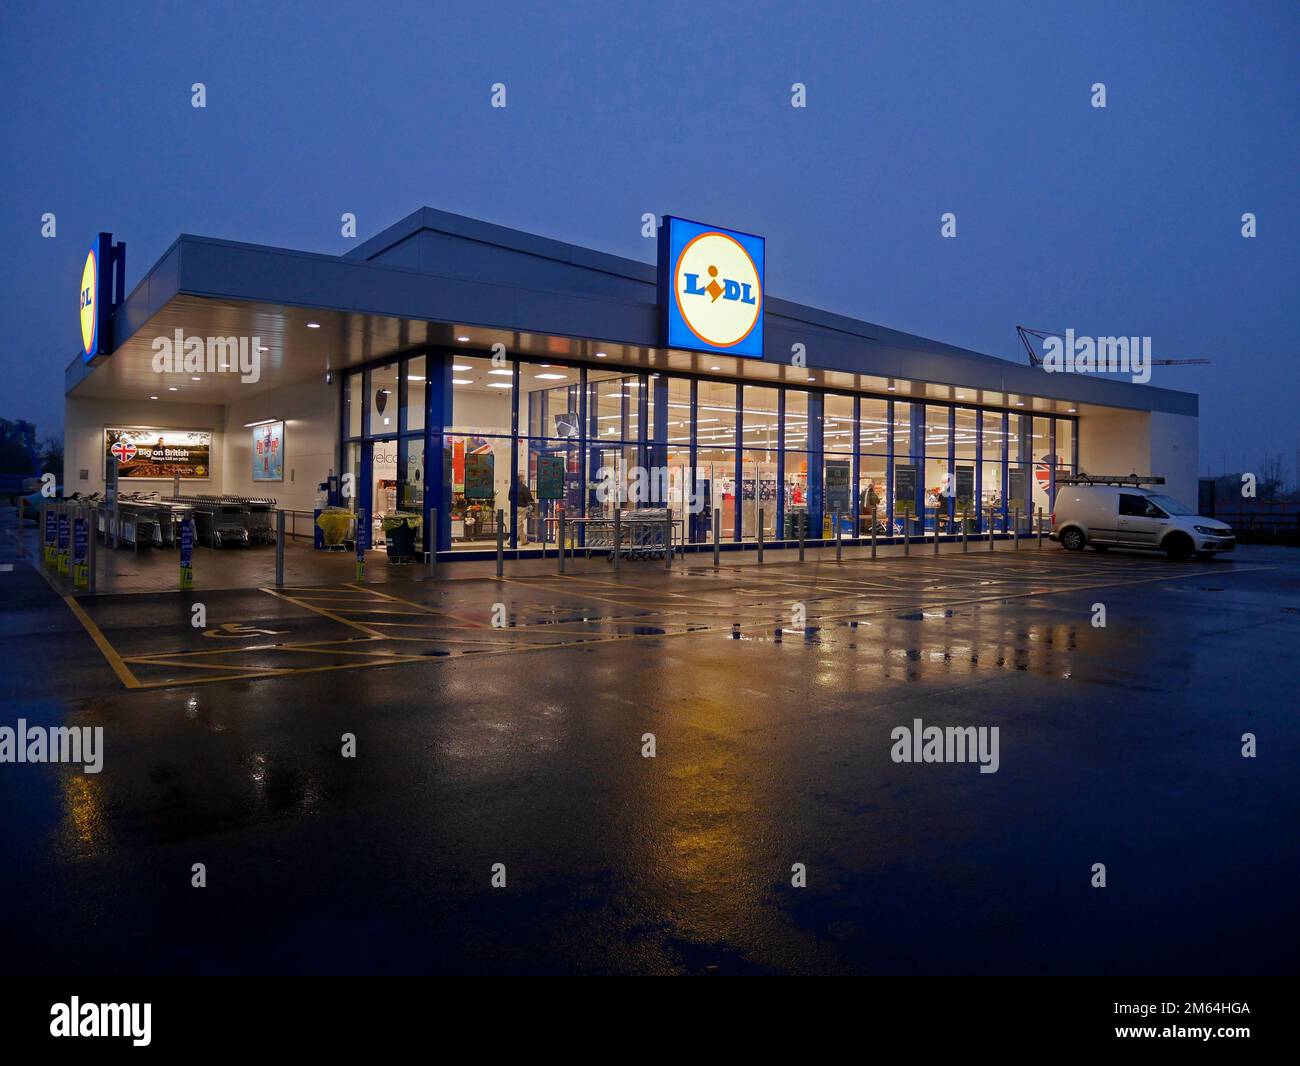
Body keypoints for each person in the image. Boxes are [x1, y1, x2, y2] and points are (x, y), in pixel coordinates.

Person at [515, 475, 534, 544]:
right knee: (519, 524)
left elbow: (509, 497)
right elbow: (529, 497)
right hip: (522, 507)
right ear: (521, 479)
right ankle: (511, 539)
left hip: (514, 507)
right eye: (523, 478)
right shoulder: (524, 487)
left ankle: (523, 540)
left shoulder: (513, 486)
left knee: (520, 524)